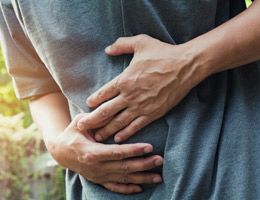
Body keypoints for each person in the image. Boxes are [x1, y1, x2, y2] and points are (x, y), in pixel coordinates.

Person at [0, 0, 260, 199]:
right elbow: (37, 80)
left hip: (231, 170)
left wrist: (189, 62)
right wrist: (58, 144)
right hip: (95, 190)